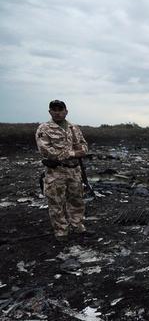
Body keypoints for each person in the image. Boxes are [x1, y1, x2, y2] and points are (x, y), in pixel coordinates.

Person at [35, 100, 88, 241]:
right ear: (50, 112)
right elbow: (45, 151)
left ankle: (78, 226)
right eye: (54, 109)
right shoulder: (44, 129)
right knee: (56, 202)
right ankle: (61, 232)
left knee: (77, 200)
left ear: (66, 111)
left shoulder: (73, 128)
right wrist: (72, 153)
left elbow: (84, 147)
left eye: (60, 109)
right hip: (56, 171)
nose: (57, 112)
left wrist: (76, 153)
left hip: (74, 170)